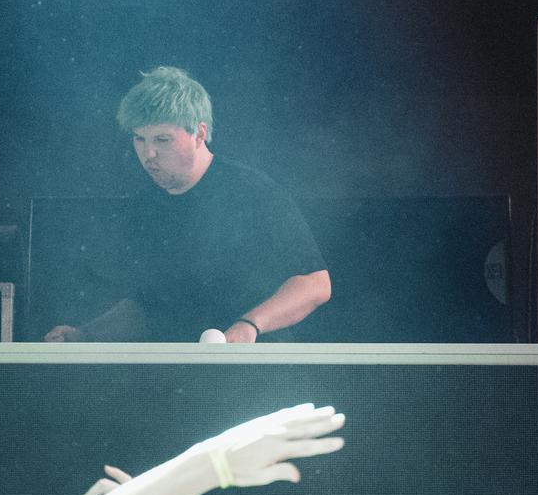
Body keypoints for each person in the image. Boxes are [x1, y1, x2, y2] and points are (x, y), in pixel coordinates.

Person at [44, 66, 331, 342]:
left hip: (255, 367)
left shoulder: (254, 192)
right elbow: (148, 307)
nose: (149, 153)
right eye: (139, 139)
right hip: (175, 369)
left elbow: (316, 284)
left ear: (199, 134)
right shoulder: (145, 208)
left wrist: (250, 325)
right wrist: (87, 334)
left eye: (163, 139)